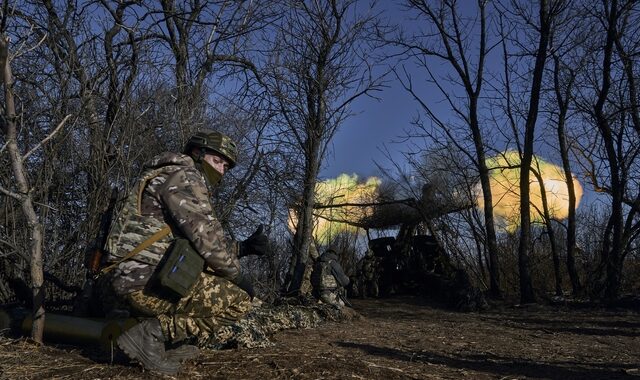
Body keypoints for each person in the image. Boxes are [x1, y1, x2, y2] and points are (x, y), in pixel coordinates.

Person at [99, 130, 270, 375]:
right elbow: (207, 242)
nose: (221, 170)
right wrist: (239, 278)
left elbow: (183, 243)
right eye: (217, 161)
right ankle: (152, 335)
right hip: (144, 284)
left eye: (226, 166)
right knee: (239, 300)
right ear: (197, 153)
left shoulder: (161, 175)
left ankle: (166, 342)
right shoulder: (185, 177)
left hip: (123, 279)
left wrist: (242, 247)